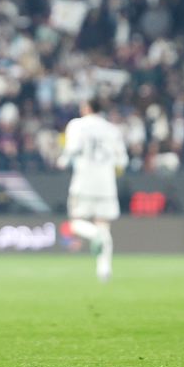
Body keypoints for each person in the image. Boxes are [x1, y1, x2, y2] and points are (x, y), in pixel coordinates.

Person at [56, 98, 128, 282]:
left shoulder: (77, 125)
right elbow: (122, 161)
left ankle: (95, 235)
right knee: (104, 224)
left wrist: (62, 161)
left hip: (84, 182)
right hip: (106, 184)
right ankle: (104, 269)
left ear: (87, 108)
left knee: (75, 222)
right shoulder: (112, 130)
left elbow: (72, 149)